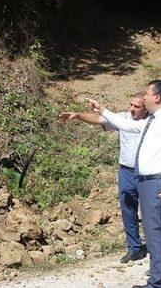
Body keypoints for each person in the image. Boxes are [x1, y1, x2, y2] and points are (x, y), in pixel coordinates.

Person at [90, 80, 161, 288]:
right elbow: (127, 126)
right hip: (146, 182)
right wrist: (102, 110)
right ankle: (156, 279)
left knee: (157, 235)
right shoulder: (153, 120)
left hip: (158, 182)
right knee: (153, 235)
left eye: (147, 93)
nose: (143, 97)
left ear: (157, 97)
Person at [59, 93, 149, 264]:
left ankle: (157, 246)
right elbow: (100, 119)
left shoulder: (151, 122)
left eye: (136, 107)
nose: (131, 109)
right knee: (128, 209)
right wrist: (78, 116)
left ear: (146, 107)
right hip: (126, 171)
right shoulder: (123, 117)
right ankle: (134, 248)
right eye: (130, 105)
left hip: (146, 172)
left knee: (150, 211)